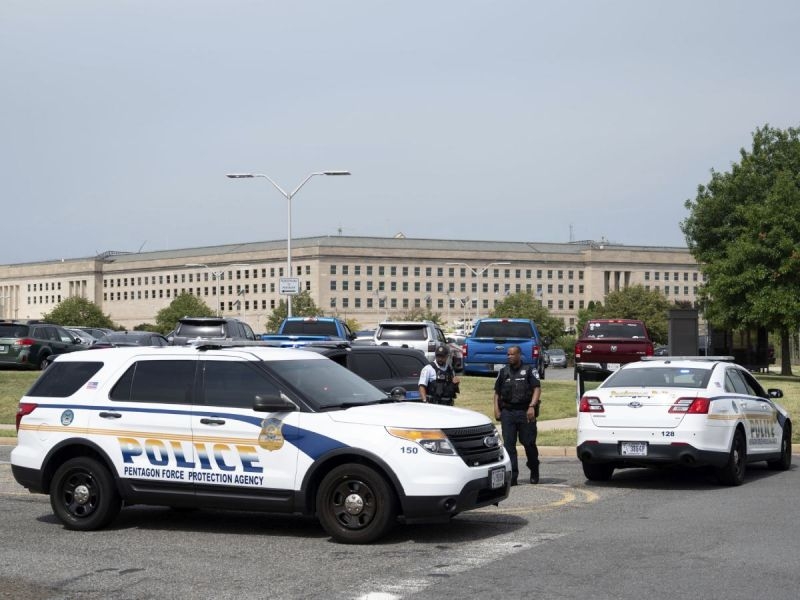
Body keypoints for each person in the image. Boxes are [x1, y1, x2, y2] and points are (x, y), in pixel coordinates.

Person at [493, 345, 541, 485]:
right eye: (508, 354)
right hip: (508, 412)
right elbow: (496, 393)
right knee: (509, 445)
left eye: (512, 354)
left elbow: (537, 389)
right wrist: (496, 409)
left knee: (529, 443)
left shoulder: (529, 370)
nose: (509, 357)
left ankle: (534, 468)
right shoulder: (503, 372)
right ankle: (513, 475)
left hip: (525, 411)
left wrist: (532, 406)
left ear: (519, 355)